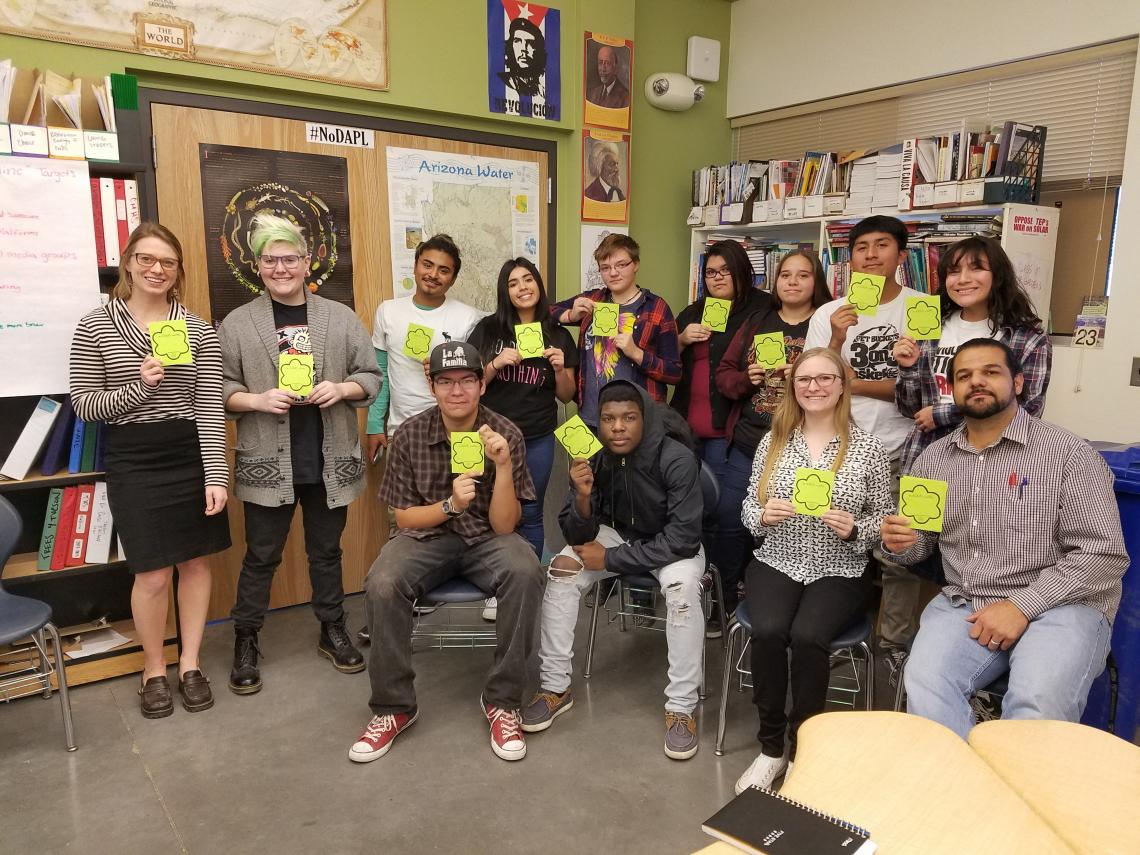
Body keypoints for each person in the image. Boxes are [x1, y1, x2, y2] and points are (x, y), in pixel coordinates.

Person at [881, 339, 1127, 740]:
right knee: (925, 683)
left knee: (1037, 704)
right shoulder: (933, 460)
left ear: (1017, 382)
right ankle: (967, 794)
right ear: (953, 389)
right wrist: (902, 545)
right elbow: (923, 545)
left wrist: (1021, 606)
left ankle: (1019, 796)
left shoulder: (1068, 453)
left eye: (990, 372)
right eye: (964, 376)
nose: (976, 382)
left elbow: (1103, 555)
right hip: (967, 602)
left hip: (1064, 606)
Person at [349, 342, 542, 763]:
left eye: (467, 381)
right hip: (427, 537)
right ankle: (394, 707)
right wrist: (450, 505)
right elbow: (404, 519)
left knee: (525, 571)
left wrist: (503, 466)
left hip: (488, 538)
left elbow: (506, 526)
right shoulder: (411, 434)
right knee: (382, 582)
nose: (458, 392)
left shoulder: (506, 432)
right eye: (446, 382)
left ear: (481, 385)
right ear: (432, 385)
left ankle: (503, 701)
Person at [70, 223, 230, 719]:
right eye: (146, 259)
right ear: (129, 263)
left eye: (167, 262)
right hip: (133, 457)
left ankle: (190, 663)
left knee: (197, 563)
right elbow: (84, 406)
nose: (156, 270)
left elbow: (208, 407)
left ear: (178, 270)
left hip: (188, 451)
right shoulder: (94, 326)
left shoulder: (198, 329)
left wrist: (216, 474)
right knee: (153, 572)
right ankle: (153, 668)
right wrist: (138, 388)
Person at [219, 214, 380, 695]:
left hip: (329, 461)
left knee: (326, 552)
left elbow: (371, 377)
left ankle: (332, 629)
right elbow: (220, 388)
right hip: (269, 462)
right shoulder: (238, 323)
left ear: (307, 262)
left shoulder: (340, 317)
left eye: (290, 258)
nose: (281, 268)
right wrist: (255, 400)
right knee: (261, 554)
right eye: (271, 259)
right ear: (258, 264)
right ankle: (246, 638)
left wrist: (343, 387)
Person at [521, 380, 705, 760]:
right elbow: (578, 534)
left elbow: (683, 539)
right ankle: (556, 687)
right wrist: (583, 498)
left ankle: (681, 708)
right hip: (620, 535)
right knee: (562, 567)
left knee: (682, 592)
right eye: (608, 419)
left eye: (628, 418)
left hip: (670, 543)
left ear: (644, 419)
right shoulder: (599, 457)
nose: (617, 427)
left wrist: (611, 560)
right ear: (599, 423)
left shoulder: (676, 458)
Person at [734, 347, 891, 792]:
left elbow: (885, 518)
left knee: (807, 636)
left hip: (839, 567)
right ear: (793, 387)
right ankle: (770, 748)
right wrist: (762, 517)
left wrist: (856, 527)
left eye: (826, 378)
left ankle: (804, 745)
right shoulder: (774, 441)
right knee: (767, 629)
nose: (814, 387)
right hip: (777, 558)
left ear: (843, 385)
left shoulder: (868, 449)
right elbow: (749, 504)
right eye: (805, 380)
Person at [804, 215, 924, 679]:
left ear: (900, 254)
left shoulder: (920, 308)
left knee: (898, 552)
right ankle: (836, 631)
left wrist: (854, 382)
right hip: (840, 448)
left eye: (882, 246)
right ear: (848, 257)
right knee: (835, 540)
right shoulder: (828, 312)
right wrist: (836, 336)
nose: (871, 256)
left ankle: (892, 645)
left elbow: (922, 386)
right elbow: (813, 382)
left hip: (902, 446)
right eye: (861, 248)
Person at [365, 235, 489, 619]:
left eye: (444, 270)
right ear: (416, 265)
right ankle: (394, 605)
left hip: (458, 433)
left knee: (460, 510)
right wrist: (375, 423)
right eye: (428, 265)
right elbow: (380, 374)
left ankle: (444, 585)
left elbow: (475, 379)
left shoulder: (467, 318)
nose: (433, 275)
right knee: (401, 520)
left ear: (453, 278)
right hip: (404, 429)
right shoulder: (389, 311)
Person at [714, 250, 832, 622]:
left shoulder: (826, 323)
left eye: (803, 275)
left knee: (790, 527)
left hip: (804, 449)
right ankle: (727, 598)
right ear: (776, 282)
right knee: (731, 521)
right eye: (786, 275)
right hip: (750, 441)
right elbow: (725, 373)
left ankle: (779, 605)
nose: (793, 282)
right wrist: (744, 380)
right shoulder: (757, 321)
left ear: (817, 282)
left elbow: (839, 377)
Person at [671, 240, 771, 632]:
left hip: (731, 430)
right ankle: (705, 590)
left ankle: (729, 592)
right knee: (697, 515)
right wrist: (680, 340)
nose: (717, 279)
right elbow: (665, 365)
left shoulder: (760, 311)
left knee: (729, 516)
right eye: (710, 272)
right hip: (687, 426)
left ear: (741, 271)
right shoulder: (691, 312)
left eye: (725, 271)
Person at [893, 235, 1052, 473]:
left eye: (976, 269)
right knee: (916, 513)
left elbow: (1028, 408)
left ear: (997, 276)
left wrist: (942, 414)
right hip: (926, 457)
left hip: (994, 460)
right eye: (954, 272)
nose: (963, 280)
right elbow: (909, 408)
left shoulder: (1026, 337)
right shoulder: (929, 325)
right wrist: (908, 368)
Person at [468, 258, 578, 557]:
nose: (522, 288)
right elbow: (470, 385)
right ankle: (495, 583)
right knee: (487, 508)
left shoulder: (557, 333)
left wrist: (557, 369)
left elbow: (567, 396)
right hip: (490, 437)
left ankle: (528, 583)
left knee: (530, 512)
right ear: (506, 292)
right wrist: (494, 363)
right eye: (513, 283)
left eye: (528, 280)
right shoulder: (488, 329)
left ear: (538, 285)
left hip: (537, 438)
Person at [551, 233, 680, 429]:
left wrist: (637, 354)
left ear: (636, 264)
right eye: (605, 268)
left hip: (635, 424)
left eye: (621, 265)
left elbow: (674, 372)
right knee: (587, 462)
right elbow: (544, 311)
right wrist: (570, 315)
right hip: (591, 418)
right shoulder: (593, 299)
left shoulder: (657, 309)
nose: (613, 273)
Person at [498, 17, 547, 98]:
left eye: (530, 43)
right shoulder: (501, 83)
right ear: (510, 47)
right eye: (517, 41)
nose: (523, 49)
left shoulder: (542, 93)